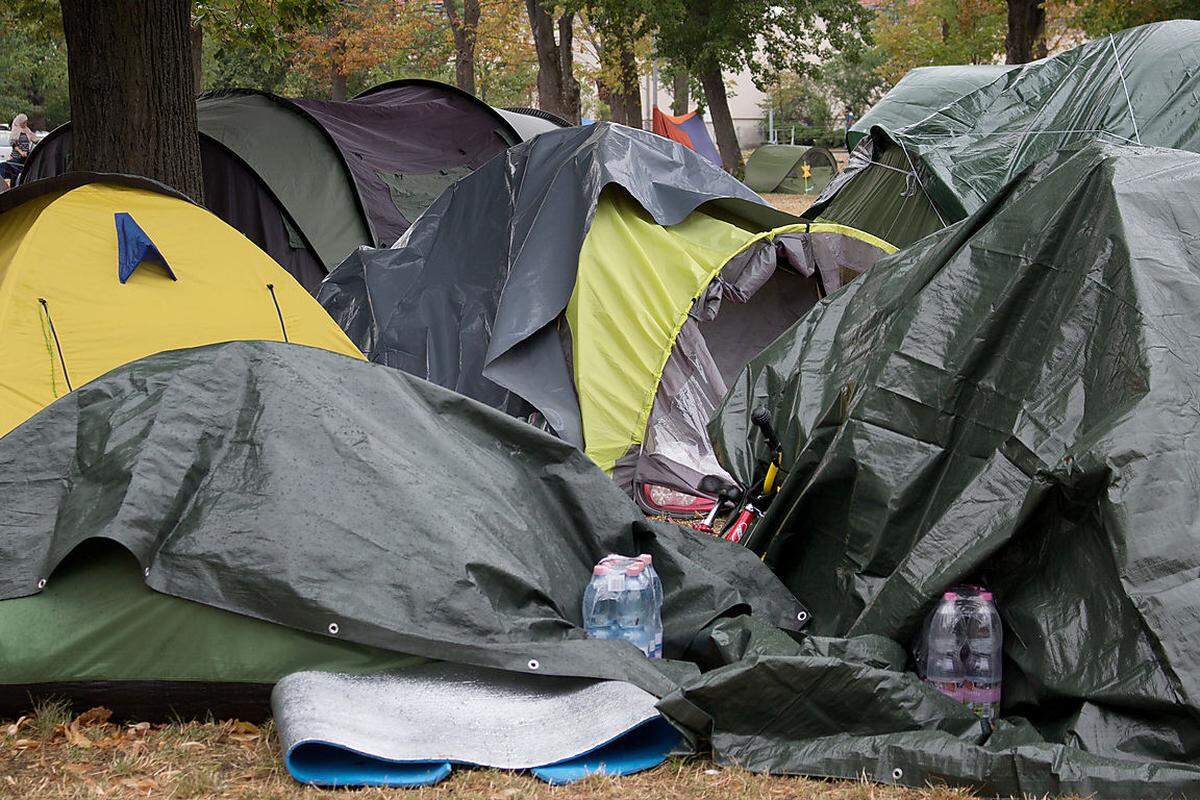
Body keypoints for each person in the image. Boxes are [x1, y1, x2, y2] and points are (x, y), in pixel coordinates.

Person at [1, 114, 38, 186]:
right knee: (15, 173)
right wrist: (21, 152)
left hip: (25, 156)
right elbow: (13, 144)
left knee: (24, 172)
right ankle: (13, 186)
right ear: (20, 122)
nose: (25, 124)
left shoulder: (27, 130)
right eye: (24, 122)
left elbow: (34, 139)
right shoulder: (16, 130)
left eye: (26, 122)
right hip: (17, 156)